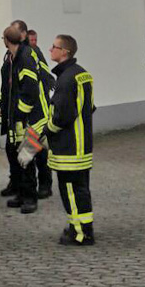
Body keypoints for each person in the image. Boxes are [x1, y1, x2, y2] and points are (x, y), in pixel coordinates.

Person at [46, 35, 95, 247]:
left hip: (68, 145)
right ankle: (83, 226)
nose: (50, 50)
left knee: (70, 191)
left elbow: (62, 116)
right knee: (81, 188)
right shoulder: (83, 74)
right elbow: (90, 107)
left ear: (64, 52)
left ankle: (80, 232)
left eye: (54, 47)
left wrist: (48, 130)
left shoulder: (65, 80)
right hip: (83, 142)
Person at [1, 20, 55, 199]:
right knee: (17, 151)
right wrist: (5, 105)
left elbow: (37, 82)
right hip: (17, 113)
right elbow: (8, 84)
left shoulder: (29, 54)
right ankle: (20, 188)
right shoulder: (11, 56)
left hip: (32, 114)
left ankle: (42, 186)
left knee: (34, 152)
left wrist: (22, 111)